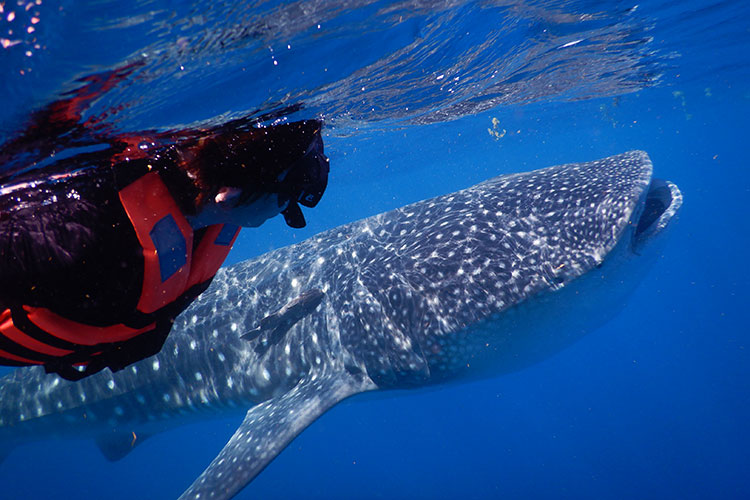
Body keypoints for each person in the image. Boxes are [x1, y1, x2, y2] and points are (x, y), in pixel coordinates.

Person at [0, 65, 329, 380]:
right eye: (289, 192)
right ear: (228, 195)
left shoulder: (208, 221)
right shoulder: (87, 238)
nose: (289, 209)